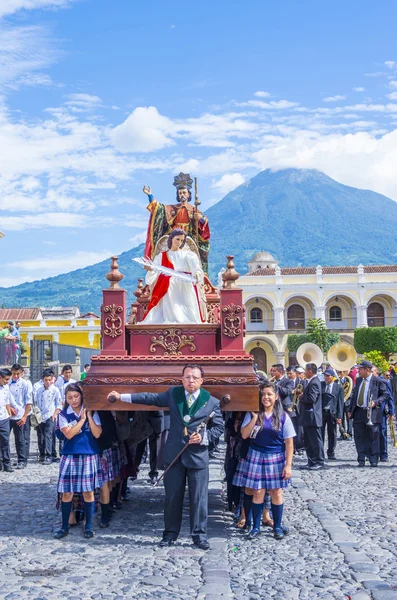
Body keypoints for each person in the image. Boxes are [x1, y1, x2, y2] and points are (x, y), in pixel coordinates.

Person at [107, 363, 224, 550]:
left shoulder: (211, 401)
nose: (191, 380)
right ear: (182, 379)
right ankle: (169, 534)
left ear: (202, 380)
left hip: (197, 457)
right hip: (174, 455)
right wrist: (122, 397)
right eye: (187, 377)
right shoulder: (173, 394)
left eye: (194, 377)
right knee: (172, 497)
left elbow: (218, 428)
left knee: (199, 499)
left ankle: (199, 535)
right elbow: (149, 398)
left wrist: (203, 438)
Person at [232, 381, 294, 540]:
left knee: (276, 492)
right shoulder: (252, 413)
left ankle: (278, 526)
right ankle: (256, 527)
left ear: (276, 397)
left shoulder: (283, 416)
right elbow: (245, 435)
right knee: (258, 492)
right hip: (256, 455)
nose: (266, 397)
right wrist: (253, 417)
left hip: (276, 456)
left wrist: (288, 465)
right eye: (263, 394)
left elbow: (289, 442)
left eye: (269, 394)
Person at [54, 383, 103, 540]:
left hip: (89, 454)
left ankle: (88, 526)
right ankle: (64, 526)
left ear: (81, 396)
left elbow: (97, 434)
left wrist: (88, 416)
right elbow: (68, 434)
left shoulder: (92, 412)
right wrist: (82, 421)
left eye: (76, 396)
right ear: (66, 399)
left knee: (88, 492)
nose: (73, 400)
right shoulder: (63, 415)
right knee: (67, 492)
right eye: (69, 398)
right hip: (70, 455)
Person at [143, 172, 210, 273]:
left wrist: (200, 219)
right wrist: (150, 196)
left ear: (188, 194)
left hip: (188, 238)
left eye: (184, 192)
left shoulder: (194, 210)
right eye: (180, 193)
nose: (182, 195)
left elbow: (203, 226)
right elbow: (158, 208)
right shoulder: (172, 208)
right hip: (173, 236)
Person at [142, 228, 205, 324]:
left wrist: (197, 273)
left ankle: (185, 318)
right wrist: (151, 269)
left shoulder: (188, 255)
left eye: (182, 240)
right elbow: (155, 268)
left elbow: (195, 266)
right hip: (168, 283)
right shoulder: (162, 256)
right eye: (177, 239)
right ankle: (171, 318)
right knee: (170, 284)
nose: (179, 242)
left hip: (184, 283)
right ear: (171, 239)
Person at [348, 360, 389, 467]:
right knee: (359, 436)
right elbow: (355, 395)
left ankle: (373, 459)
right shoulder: (358, 379)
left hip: (372, 412)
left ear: (367, 370)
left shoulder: (377, 380)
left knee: (373, 436)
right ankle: (361, 458)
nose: (358, 371)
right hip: (359, 411)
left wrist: (376, 402)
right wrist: (350, 409)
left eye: (360, 369)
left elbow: (385, 394)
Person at [34, 368, 62, 464]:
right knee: (41, 436)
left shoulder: (55, 390)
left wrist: (55, 414)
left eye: (49, 380)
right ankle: (44, 454)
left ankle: (49, 455)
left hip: (51, 414)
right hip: (41, 415)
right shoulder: (39, 390)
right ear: (43, 380)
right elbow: (36, 402)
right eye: (46, 380)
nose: (48, 382)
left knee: (48, 435)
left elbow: (59, 404)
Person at [299, 362, 324, 470]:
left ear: (310, 371)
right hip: (308, 417)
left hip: (313, 417)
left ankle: (319, 461)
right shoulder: (311, 381)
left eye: (305, 370)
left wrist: (301, 397)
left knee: (315, 441)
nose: (304, 372)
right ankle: (311, 461)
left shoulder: (314, 382)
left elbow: (312, 399)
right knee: (308, 441)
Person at [8, 363, 32, 469]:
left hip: (20, 414)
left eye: (18, 374)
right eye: (14, 373)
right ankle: (5, 459)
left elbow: (28, 401)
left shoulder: (25, 384)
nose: (15, 376)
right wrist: (8, 408)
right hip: (8, 415)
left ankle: (22, 459)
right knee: (4, 439)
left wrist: (25, 416)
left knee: (20, 439)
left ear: (21, 373)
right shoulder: (7, 382)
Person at [321, 369, 344, 460]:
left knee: (332, 433)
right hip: (322, 412)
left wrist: (339, 416)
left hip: (332, 413)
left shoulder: (338, 387)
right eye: (325, 376)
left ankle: (331, 452)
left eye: (328, 376)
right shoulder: (321, 385)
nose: (326, 377)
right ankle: (320, 452)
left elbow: (340, 402)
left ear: (332, 377)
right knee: (320, 433)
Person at [373, 367, 395, 462]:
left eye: (372, 371)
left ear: (377, 372)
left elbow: (390, 397)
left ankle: (383, 454)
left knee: (382, 432)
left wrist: (391, 411)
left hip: (381, 411)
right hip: (370, 412)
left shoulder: (384, 382)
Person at [0, 368, 17, 472]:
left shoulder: (6, 387)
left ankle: (7, 464)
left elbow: (6, 401)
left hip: (4, 418)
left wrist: (9, 412)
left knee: (5, 441)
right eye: (6, 379)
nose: (7, 381)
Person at [337, 370, 353, 439]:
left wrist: (347, 396)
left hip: (348, 402)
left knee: (349, 418)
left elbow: (352, 390)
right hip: (339, 403)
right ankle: (342, 434)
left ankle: (349, 434)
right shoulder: (336, 381)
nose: (341, 373)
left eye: (342, 372)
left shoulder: (349, 380)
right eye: (339, 372)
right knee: (341, 418)